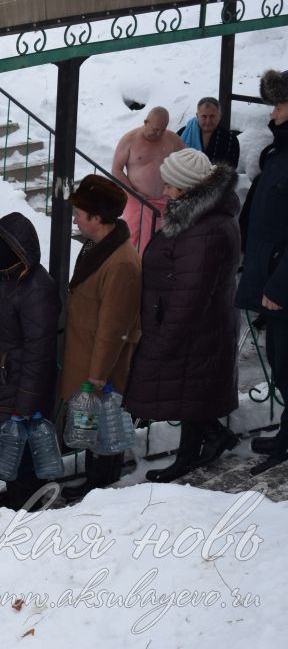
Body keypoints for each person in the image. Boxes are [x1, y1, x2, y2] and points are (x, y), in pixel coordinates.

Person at [124, 149, 240, 483]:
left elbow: (192, 293)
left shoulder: (207, 229)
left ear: (191, 188)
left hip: (192, 327)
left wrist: (167, 336)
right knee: (191, 391)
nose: (165, 191)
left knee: (188, 392)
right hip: (194, 325)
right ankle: (212, 439)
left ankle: (189, 456)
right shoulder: (199, 216)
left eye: (172, 185)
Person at [57, 176, 142, 500]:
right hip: (85, 355)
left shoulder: (120, 263)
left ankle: (103, 487)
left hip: (100, 366)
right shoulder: (97, 248)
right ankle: (96, 480)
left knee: (105, 427)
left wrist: (97, 375)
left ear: (97, 218)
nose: (76, 218)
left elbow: (113, 328)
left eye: (80, 213)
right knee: (93, 427)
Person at [0, 213, 60, 510]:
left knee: (22, 465)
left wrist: (26, 406)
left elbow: (39, 354)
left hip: (15, 396)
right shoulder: (3, 280)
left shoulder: (36, 289)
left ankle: (27, 516)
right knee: (4, 459)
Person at [236, 69, 288, 475]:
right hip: (270, 276)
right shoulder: (279, 152)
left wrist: (279, 283)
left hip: (282, 284)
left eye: (280, 104)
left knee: (287, 364)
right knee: (280, 362)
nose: (273, 112)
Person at [112, 107, 185, 251]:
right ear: (146, 122)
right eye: (155, 129)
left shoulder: (172, 139)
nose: (158, 134)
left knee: (157, 242)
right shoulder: (129, 139)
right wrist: (133, 193)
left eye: (162, 130)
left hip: (164, 199)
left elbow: (186, 161)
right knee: (130, 238)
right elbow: (116, 169)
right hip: (136, 198)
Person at [178, 97, 240, 169]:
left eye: (212, 116)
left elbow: (231, 168)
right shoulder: (183, 133)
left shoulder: (230, 139)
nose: (208, 121)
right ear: (197, 116)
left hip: (218, 179)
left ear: (219, 116)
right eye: (204, 116)